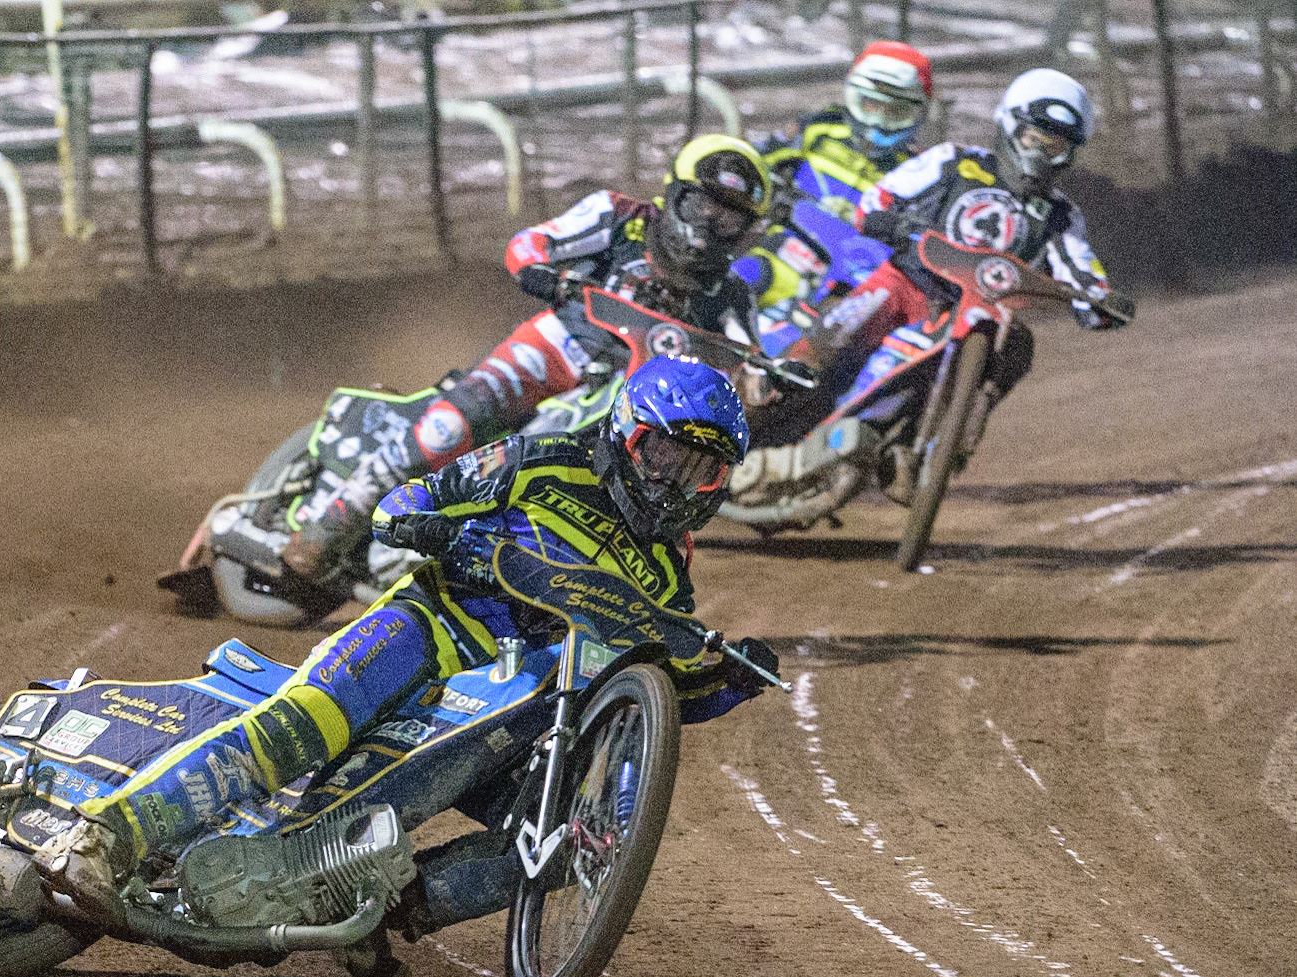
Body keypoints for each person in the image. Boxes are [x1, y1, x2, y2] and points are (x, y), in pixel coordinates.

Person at [39, 355, 777, 923]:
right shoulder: (540, 460)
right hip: (426, 631)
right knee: (298, 728)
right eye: (669, 455)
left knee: (570, 839)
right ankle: (103, 836)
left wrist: (730, 681)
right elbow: (408, 499)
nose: (679, 482)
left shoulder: (667, 565)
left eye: (703, 469)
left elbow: (666, 674)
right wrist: (428, 530)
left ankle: (387, 922)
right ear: (627, 432)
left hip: (514, 708)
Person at [279, 134, 772, 580]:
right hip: (559, 343)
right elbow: (530, 243)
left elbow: (750, 362)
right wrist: (542, 273)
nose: (711, 222)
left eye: (728, 215)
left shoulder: (730, 295)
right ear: (678, 194)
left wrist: (760, 383)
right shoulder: (620, 217)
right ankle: (332, 522)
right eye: (705, 204)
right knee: (448, 427)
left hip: (631, 393)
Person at [751, 68, 1130, 435]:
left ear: (1071, 152)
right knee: (844, 324)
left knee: (1018, 344)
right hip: (907, 283)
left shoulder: (1061, 215)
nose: (1042, 155)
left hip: (983, 314)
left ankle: (950, 435)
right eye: (1035, 140)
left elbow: (1080, 271)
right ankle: (763, 394)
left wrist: (1101, 301)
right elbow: (881, 197)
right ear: (1012, 127)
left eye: (1056, 147)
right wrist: (889, 220)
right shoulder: (955, 161)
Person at [736, 41, 934, 312]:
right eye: (871, 104)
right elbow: (753, 164)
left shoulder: (917, 172)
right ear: (854, 95)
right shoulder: (819, 129)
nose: (878, 120)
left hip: (850, 290)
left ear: (917, 112)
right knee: (737, 278)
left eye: (896, 111)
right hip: (785, 257)